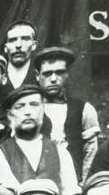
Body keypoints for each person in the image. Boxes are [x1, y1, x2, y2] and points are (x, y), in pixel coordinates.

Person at [0, 85, 82, 195]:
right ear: (10, 115)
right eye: (20, 106)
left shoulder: (59, 151)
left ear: (43, 111)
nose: (28, 111)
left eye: (34, 105)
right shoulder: (0, 152)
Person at [34, 47, 100, 180]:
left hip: (73, 183)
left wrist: (83, 185)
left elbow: (91, 153)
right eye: (47, 74)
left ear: (66, 74)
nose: (53, 79)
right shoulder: (30, 110)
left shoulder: (84, 109)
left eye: (59, 73)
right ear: (37, 75)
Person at [3, 21, 40, 90]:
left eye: (25, 39)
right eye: (12, 40)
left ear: (34, 45)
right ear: (5, 47)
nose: (18, 45)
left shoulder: (40, 75)